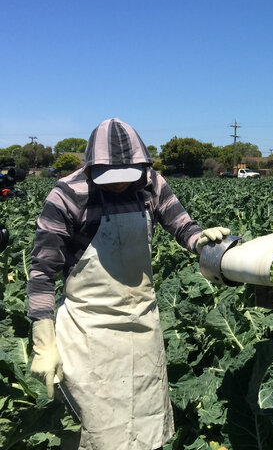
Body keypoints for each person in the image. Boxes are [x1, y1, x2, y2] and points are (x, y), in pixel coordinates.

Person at [27, 118, 230, 450]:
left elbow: (179, 223)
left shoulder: (150, 183)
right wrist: (43, 343)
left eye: (128, 175)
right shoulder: (66, 194)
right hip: (89, 334)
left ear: (141, 165)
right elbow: (42, 272)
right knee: (97, 434)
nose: (121, 184)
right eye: (111, 177)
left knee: (146, 429)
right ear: (92, 168)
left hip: (142, 327)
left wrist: (199, 240)